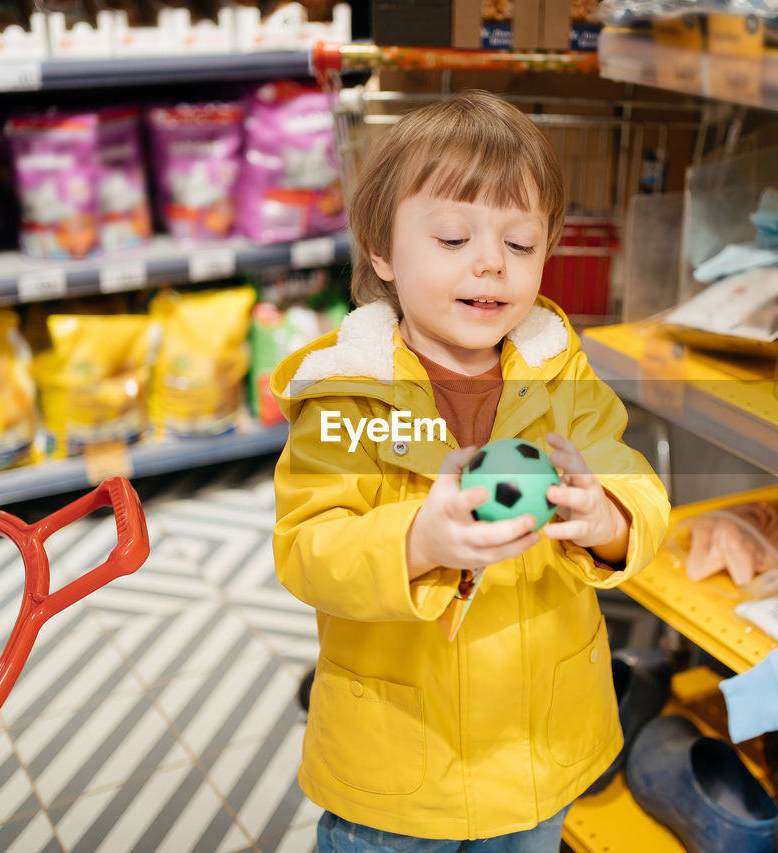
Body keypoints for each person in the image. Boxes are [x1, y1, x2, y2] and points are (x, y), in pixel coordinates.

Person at [270, 89, 670, 852]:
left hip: (535, 753)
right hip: (399, 770)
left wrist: (610, 517)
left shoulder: (558, 370)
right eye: (453, 237)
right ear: (382, 251)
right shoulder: (345, 392)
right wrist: (419, 538)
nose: (491, 261)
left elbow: (634, 478)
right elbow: (308, 549)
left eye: (520, 244)